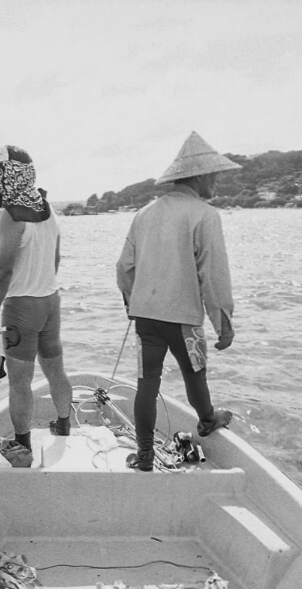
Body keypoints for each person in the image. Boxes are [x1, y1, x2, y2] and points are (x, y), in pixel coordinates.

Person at [116, 131, 242, 471]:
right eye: (214, 174)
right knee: (195, 375)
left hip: (146, 318)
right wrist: (223, 324)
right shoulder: (205, 215)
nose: (218, 180)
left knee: (147, 384)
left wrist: (132, 303)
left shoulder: (144, 214)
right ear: (198, 176)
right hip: (183, 320)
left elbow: (124, 268)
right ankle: (207, 419)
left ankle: (144, 454)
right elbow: (213, 276)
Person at [0, 145, 73, 453]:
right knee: (55, 370)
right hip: (50, 301)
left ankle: (22, 446)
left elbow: (2, 271)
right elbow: (55, 259)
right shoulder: (48, 209)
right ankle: (63, 425)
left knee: (20, 382)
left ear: (12, 173)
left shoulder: (11, 217)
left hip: (21, 307)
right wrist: (42, 284)